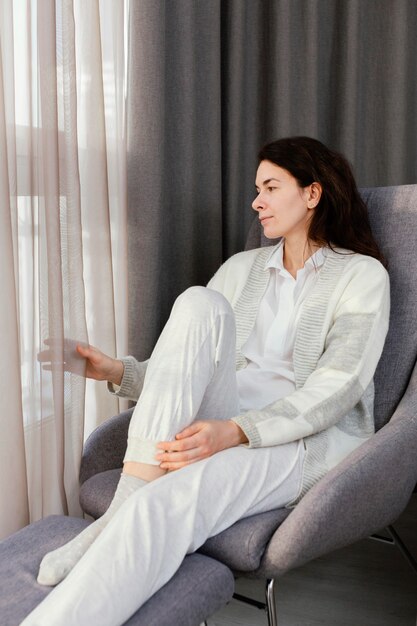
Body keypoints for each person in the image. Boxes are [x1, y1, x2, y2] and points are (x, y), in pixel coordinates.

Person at [22, 136, 390, 626]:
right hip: (221, 416)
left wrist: (237, 432)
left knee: (169, 504)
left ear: (312, 194)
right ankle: (129, 497)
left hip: (297, 440)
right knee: (199, 301)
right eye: (256, 188)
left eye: (270, 187)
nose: (256, 201)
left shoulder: (362, 277)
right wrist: (116, 371)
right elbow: (182, 372)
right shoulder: (242, 269)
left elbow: (338, 389)